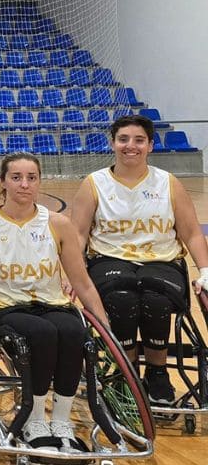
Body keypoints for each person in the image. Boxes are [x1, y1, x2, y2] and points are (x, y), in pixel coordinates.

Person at [0, 152, 109, 451]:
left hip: (53, 304)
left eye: (31, 178)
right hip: (7, 307)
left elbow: (81, 282)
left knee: (73, 332)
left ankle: (62, 421)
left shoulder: (58, 224)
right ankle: (34, 420)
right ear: (2, 182)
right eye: (16, 177)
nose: (24, 184)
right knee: (42, 334)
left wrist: (104, 323)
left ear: (40, 182)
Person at [69, 115, 208, 405]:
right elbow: (78, 236)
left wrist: (205, 270)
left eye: (139, 140)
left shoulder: (168, 183)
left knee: (156, 298)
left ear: (150, 146)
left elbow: (192, 233)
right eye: (123, 139)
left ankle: (158, 374)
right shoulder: (94, 183)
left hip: (162, 260)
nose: (130, 146)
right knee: (122, 297)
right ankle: (126, 374)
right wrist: (74, 276)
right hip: (109, 258)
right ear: (112, 143)